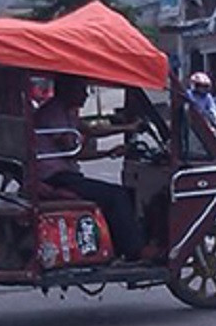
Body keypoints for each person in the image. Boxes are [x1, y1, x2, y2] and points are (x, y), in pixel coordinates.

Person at [34, 75, 149, 261]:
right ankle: (135, 250)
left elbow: (91, 130)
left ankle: (119, 244)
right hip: (56, 177)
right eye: (82, 89)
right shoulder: (54, 114)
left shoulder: (65, 111)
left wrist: (127, 127)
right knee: (117, 196)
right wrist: (108, 153)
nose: (86, 94)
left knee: (122, 193)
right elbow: (75, 151)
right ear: (67, 90)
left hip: (60, 174)